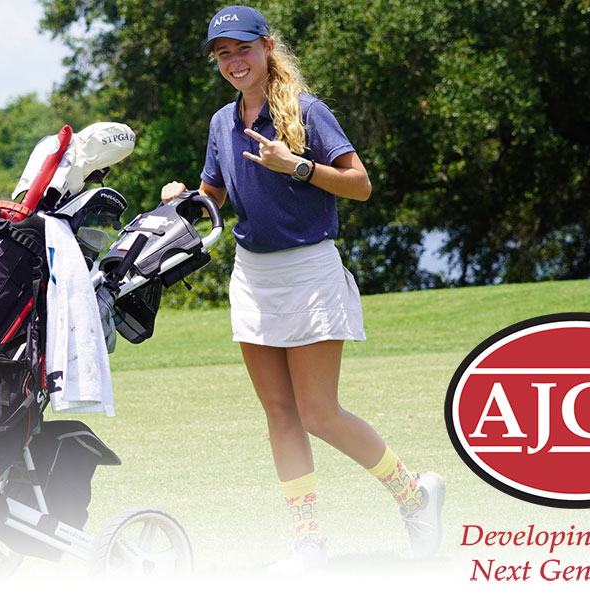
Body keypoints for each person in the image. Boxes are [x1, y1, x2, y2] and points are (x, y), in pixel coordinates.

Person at [161, 5, 444, 571]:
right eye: (223, 54)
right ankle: (309, 540)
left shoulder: (309, 113)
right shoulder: (221, 123)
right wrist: (182, 199)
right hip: (253, 276)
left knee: (318, 412)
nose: (233, 61)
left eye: (242, 48)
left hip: (310, 273)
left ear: (267, 48)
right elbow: (212, 198)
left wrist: (297, 167)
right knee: (279, 413)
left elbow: (360, 185)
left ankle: (415, 496)